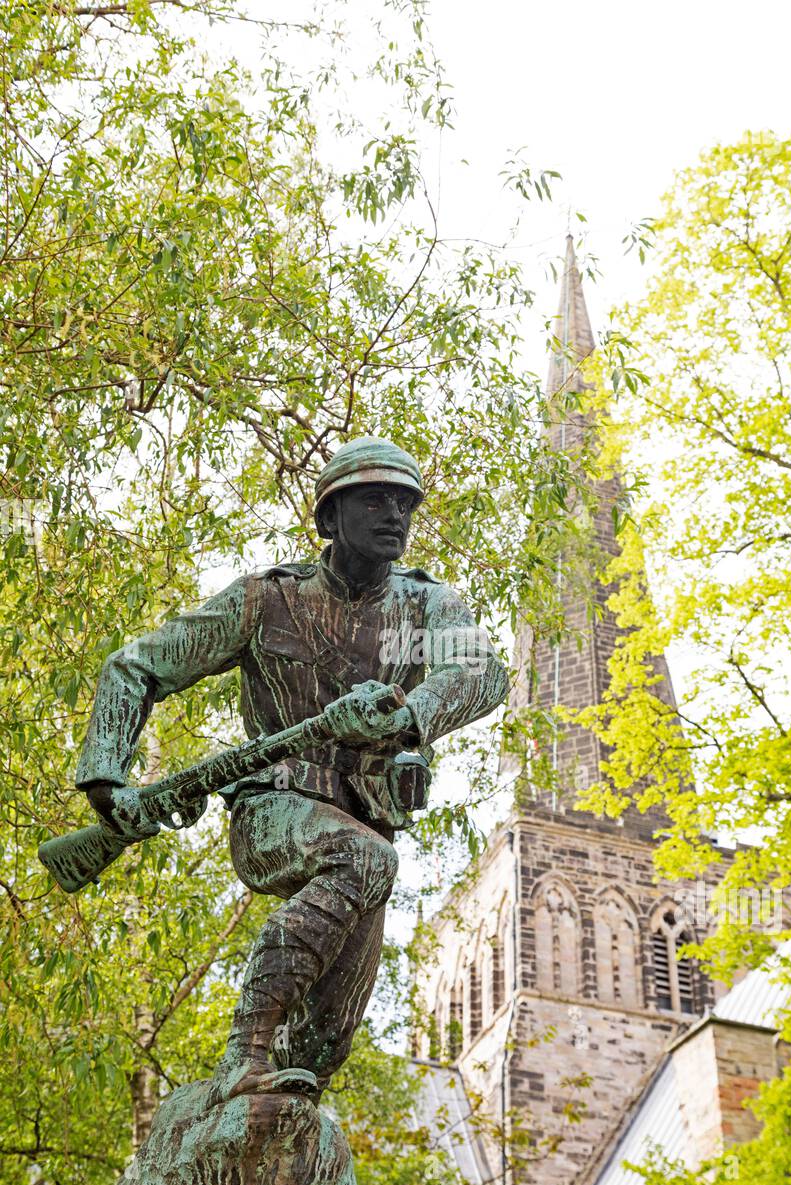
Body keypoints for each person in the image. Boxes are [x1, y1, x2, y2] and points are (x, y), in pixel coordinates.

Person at [76, 437, 508, 1106]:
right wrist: (108, 778)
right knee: (366, 863)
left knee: (321, 1050)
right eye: (376, 501)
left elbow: (482, 673)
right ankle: (242, 1055)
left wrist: (406, 718)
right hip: (274, 808)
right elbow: (136, 667)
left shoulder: (424, 609)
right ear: (332, 519)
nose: (396, 515)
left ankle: (253, 1133)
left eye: (406, 503)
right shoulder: (264, 600)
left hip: (366, 827)